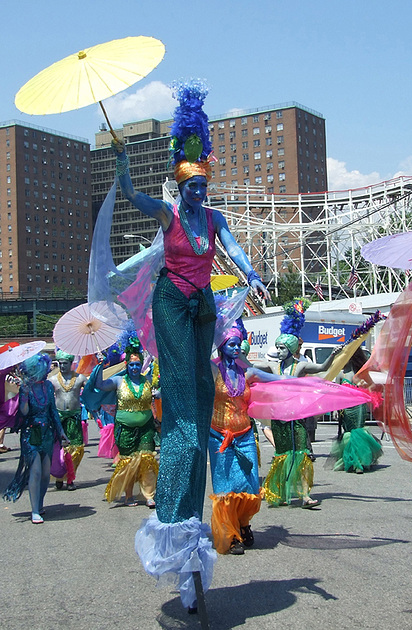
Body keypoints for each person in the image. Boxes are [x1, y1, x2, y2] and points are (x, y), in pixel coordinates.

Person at [110, 80, 268, 610]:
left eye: (203, 186)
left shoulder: (215, 220)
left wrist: (253, 275)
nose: (198, 194)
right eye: (191, 187)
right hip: (171, 303)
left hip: (203, 305)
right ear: (180, 188)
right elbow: (133, 197)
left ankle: (192, 457)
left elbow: (238, 249)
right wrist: (122, 164)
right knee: (181, 405)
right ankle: (175, 486)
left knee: (202, 399)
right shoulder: (169, 215)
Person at [209, 327, 289, 555]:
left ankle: (243, 524)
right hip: (219, 438)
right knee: (225, 488)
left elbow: (279, 380)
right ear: (222, 346)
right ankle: (231, 535)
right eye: (231, 344)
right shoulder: (213, 369)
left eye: (238, 344)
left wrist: (315, 384)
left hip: (244, 435)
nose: (236, 348)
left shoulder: (249, 374)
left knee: (250, 485)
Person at [253, 309, 339, 508]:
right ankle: (281, 493)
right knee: (283, 455)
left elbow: (322, 368)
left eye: (282, 348)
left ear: (291, 350)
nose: (279, 351)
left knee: (300, 454)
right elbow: (250, 366)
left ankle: (305, 495)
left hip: (296, 419)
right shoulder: (273, 367)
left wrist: (333, 355)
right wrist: (237, 355)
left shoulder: (299, 367)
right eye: (278, 348)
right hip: (279, 420)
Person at [92, 340, 159, 507]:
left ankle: (149, 495)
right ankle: (129, 495)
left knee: (147, 459)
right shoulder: (118, 382)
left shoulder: (148, 380)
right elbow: (99, 384)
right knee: (128, 462)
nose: (135, 368)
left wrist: (158, 392)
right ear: (126, 365)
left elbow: (161, 387)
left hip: (146, 428)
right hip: (125, 429)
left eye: (137, 365)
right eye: (131, 365)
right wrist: (100, 363)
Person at [3, 353, 68, 524]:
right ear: (34, 370)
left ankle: (39, 504)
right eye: (43, 370)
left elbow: (53, 410)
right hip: (30, 433)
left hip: (47, 432)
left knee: (46, 474)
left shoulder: (47, 386)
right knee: (36, 471)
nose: (46, 373)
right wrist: (23, 396)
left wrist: (61, 431)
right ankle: (34, 511)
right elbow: (23, 413)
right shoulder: (25, 387)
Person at [331, 346, 382, 473]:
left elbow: (373, 387)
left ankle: (358, 463)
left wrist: (365, 387)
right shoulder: (340, 374)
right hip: (346, 408)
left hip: (359, 406)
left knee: (357, 431)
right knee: (348, 432)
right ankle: (351, 459)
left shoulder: (360, 373)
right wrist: (335, 409)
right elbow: (336, 393)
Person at [49, 350, 87, 491]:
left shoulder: (80, 378)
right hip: (58, 418)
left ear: (71, 364)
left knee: (77, 448)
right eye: (60, 363)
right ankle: (60, 477)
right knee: (58, 449)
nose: (62, 366)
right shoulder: (52, 380)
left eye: (65, 363)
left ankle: (70, 478)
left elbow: (92, 391)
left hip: (74, 417)